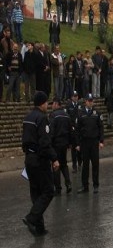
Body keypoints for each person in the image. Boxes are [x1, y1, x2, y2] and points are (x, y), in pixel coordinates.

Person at [21, 91, 59, 236]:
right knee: (49, 191)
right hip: (39, 160)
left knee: (36, 193)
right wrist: (54, 158)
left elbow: (24, 141)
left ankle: (39, 227)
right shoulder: (42, 118)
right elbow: (45, 142)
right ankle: (31, 218)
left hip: (29, 159)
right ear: (42, 103)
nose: (48, 105)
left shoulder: (27, 118)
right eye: (47, 103)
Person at [76, 93, 104, 194]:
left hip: (94, 142)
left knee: (95, 164)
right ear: (86, 102)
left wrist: (101, 141)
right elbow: (78, 130)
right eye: (89, 101)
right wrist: (78, 144)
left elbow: (101, 128)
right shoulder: (81, 113)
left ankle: (95, 185)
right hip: (84, 142)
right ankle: (85, 186)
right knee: (85, 165)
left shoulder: (97, 113)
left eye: (92, 101)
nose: (91, 102)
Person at [49, 97, 72, 195]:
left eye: (53, 104)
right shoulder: (67, 115)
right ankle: (68, 183)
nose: (51, 106)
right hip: (64, 144)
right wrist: (70, 143)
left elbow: (51, 131)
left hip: (56, 144)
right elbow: (70, 130)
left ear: (57, 104)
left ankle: (58, 188)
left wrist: (49, 143)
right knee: (64, 164)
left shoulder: (53, 115)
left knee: (56, 165)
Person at [66, 91, 82, 173]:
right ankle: (74, 165)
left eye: (77, 96)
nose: (76, 97)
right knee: (73, 149)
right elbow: (67, 117)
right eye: (74, 96)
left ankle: (80, 162)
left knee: (79, 148)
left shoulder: (80, 105)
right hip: (72, 130)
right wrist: (70, 126)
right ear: (71, 97)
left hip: (79, 130)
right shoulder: (68, 105)